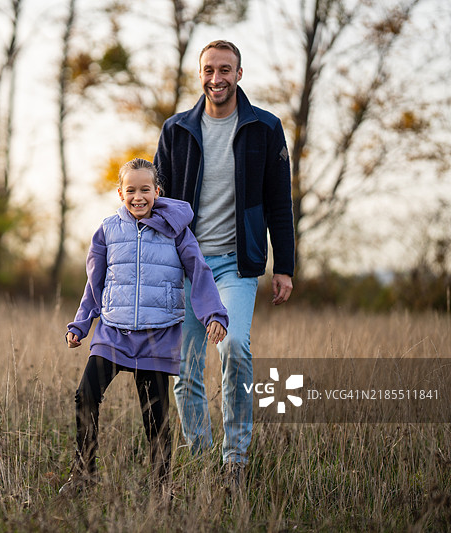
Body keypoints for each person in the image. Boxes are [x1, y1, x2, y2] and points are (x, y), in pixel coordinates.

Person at [154, 40, 295, 489]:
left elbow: (279, 203)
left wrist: (285, 266)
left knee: (234, 346)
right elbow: (156, 207)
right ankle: (200, 458)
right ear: (200, 75)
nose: (217, 78)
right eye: (209, 70)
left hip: (237, 265)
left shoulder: (265, 128)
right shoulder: (176, 130)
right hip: (187, 268)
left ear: (239, 74)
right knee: (184, 369)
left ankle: (235, 460)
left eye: (225, 70)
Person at [61, 158, 228, 494]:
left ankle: (160, 488)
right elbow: (94, 282)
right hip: (113, 332)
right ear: (120, 192)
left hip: (157, 334)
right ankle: (83, 476)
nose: (139, 197)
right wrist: (81, 324)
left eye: (145, 190)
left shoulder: (176, 230)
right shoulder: (108, 229)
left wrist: (214, 314)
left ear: (157, 191)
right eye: (131, 190)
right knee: (86, 395)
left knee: (155, 417)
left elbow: (199, 272)